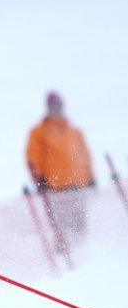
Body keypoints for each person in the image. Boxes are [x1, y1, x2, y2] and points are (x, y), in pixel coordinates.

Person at [26, 91, 95, 240]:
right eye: (53, 106)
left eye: (59, 105)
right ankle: (63, 256)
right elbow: (33, 158)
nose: (56, 109)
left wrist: (91, 177)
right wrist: (39, 180)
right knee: (60, 228)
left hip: (78, 187)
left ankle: (83, 255)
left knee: (81, 225)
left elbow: (85, 156)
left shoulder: (75, 132)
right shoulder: (39, 132)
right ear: (48, 108)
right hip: (55, 189)